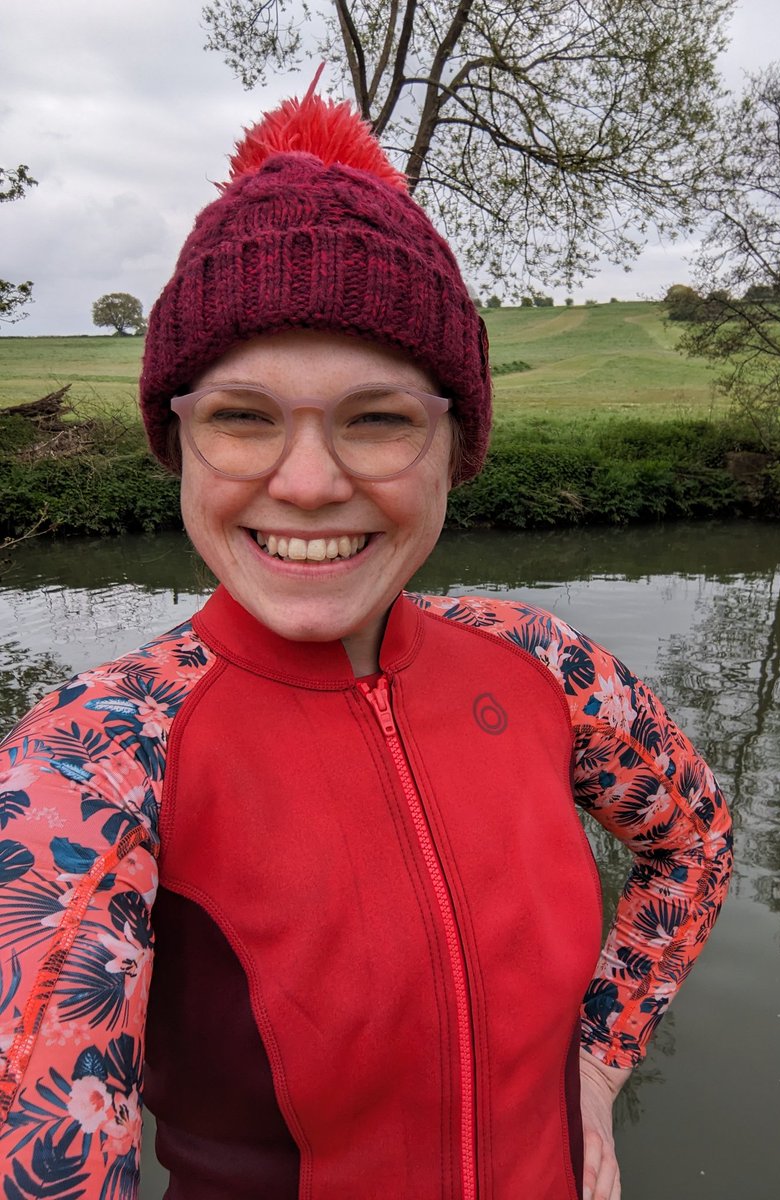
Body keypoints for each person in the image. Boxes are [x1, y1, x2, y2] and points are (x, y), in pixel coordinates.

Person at [0, 79, 732, 1200]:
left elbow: (697, 847)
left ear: (455, 450)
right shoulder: (88, 762)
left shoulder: (542, 665)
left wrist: (597, 1065)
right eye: (243, 417)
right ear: (178, 444)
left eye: (379, 418)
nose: (306, 482)